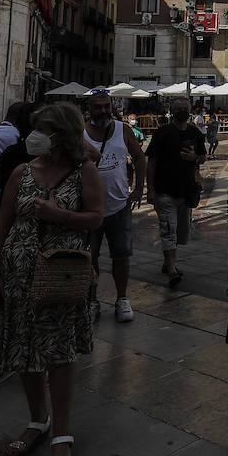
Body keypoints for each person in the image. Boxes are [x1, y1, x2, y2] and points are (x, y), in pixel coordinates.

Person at [0, 103, 102, 456]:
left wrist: (60, 216)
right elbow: (1, 223)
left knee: (58, 352)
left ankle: (62, 434)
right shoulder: (21, 171)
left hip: (61, 276)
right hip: (18, 276)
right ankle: (37, 420)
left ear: (64, 133)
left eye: (45, 128)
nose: (35, 134)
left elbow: (96, 217)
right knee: (24, 349)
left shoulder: (83, 171)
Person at [84, 90, 147, 323]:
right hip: (87, 209)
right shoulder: (79, 133)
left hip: (118, 205)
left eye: (106, 106)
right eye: (98, 106)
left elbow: (140, 158)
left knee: (121, 255)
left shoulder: (123, 130)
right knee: (89, 257)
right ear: (89, 108)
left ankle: (122, 299)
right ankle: (92, 300)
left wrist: (139, 189)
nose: (103, 110)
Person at [146, 98, 206, 289]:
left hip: (186, 191)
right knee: (169, 231)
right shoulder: (162, 133)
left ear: (190, 110)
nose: (182, 111)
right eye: (178, 108)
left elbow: (203, 157)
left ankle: (167, 263)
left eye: (185, 108)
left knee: (180, 233)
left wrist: (194, 157)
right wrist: (150, 190)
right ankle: (172, 269)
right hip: (165, 190)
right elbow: (152, 163)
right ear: (172, 111)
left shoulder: (195, 132)